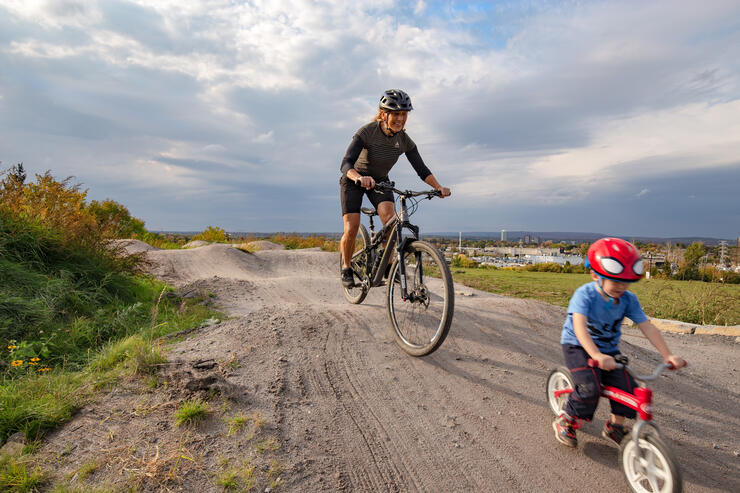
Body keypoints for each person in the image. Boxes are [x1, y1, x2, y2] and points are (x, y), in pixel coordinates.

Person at [553, 237, 686, 447]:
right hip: (578, 346)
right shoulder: (585, 295)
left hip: (608, 350)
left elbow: (647, 326)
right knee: (590, 388)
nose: (621, 287)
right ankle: (566, 419)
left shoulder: (628, 299)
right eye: (616, 281)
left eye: (626, 282)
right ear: (595, 274)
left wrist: (667, 355)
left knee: (628, 389)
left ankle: (615, 426)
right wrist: (596, 355)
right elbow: (579, 327)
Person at [339, 89, 450, 288]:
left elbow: (421, 169)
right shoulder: (367, 132)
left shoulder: (404, 141)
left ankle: (389, 267)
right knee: (351, 226)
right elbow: (346, 164)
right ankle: (346, 267)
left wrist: (438, 187)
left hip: (380, 181)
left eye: (404, 114)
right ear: (383, 114)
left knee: (390, 220)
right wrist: (359, 177)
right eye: (396, 114)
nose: (400, 119)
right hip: (354, 180)